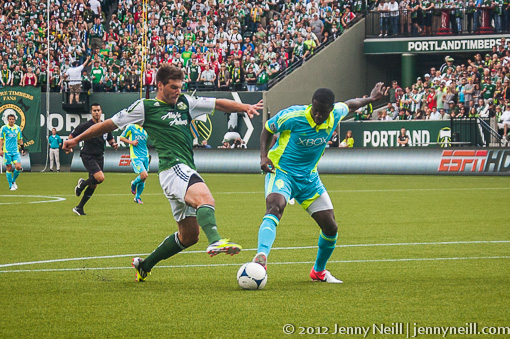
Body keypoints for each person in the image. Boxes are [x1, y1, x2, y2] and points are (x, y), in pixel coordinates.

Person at [63, 64, 263, 282]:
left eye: (180, 87)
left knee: (189, 236)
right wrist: (75, 139)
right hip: (173, 168)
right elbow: (108, 125)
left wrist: (243, 107)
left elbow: (218, 103)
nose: (178, 91)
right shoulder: (145, 107)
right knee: (205, 199)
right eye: (173, 87)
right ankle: (215, 240)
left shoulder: (186, 102)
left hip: (183, 170)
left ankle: (144, 265)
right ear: (160, 85)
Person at [254, 83, 384, 284]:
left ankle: (319, 272)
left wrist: (371, 99)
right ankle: (261, 259)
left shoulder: (336, 114)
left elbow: (351, 104)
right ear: (311, 106)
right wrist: (263, 157)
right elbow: (267, 129)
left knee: (330, 227)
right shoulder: (294, 116)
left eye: (322, 112)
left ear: (330, 110)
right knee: (274, 206)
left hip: (309, 179)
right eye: (315, 110)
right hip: (282, 171)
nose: (317, 116)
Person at [67, 103, 118, 216]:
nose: (96, 112)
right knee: (100, 178)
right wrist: (69, 146)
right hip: (88, 155)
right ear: (91, 112)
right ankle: (82, 184)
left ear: (101, 111)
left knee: (94, 184)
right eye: (94, 110)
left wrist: (113, 144)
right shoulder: (86, 125)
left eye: (98, 110)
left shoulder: (104, 125)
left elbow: (109, 138)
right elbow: (72, 136)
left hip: (100, 156)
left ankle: (79, 207)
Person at [120, 124, 149, 204]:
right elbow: (121, 138)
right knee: (144, 175)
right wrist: (131, 142)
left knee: (143, 179)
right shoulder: (131, 127)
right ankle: (134, 183)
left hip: (145, 155)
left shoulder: (146, 129)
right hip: (136, 156)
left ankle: (137, 197)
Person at [0, 114, 25, 190]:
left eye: (12, 119)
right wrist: (0, 149)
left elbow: (20, 139)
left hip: (15, 151)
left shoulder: (17, 128)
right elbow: (1, 139)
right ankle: (10, 185)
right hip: (7, 151)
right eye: (10, 119)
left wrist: (22, 148)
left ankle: (13, 181)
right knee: (9, 168)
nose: (11, 120)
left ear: (14, 120)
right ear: (8, 120)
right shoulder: (4, 128)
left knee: (18, 166)